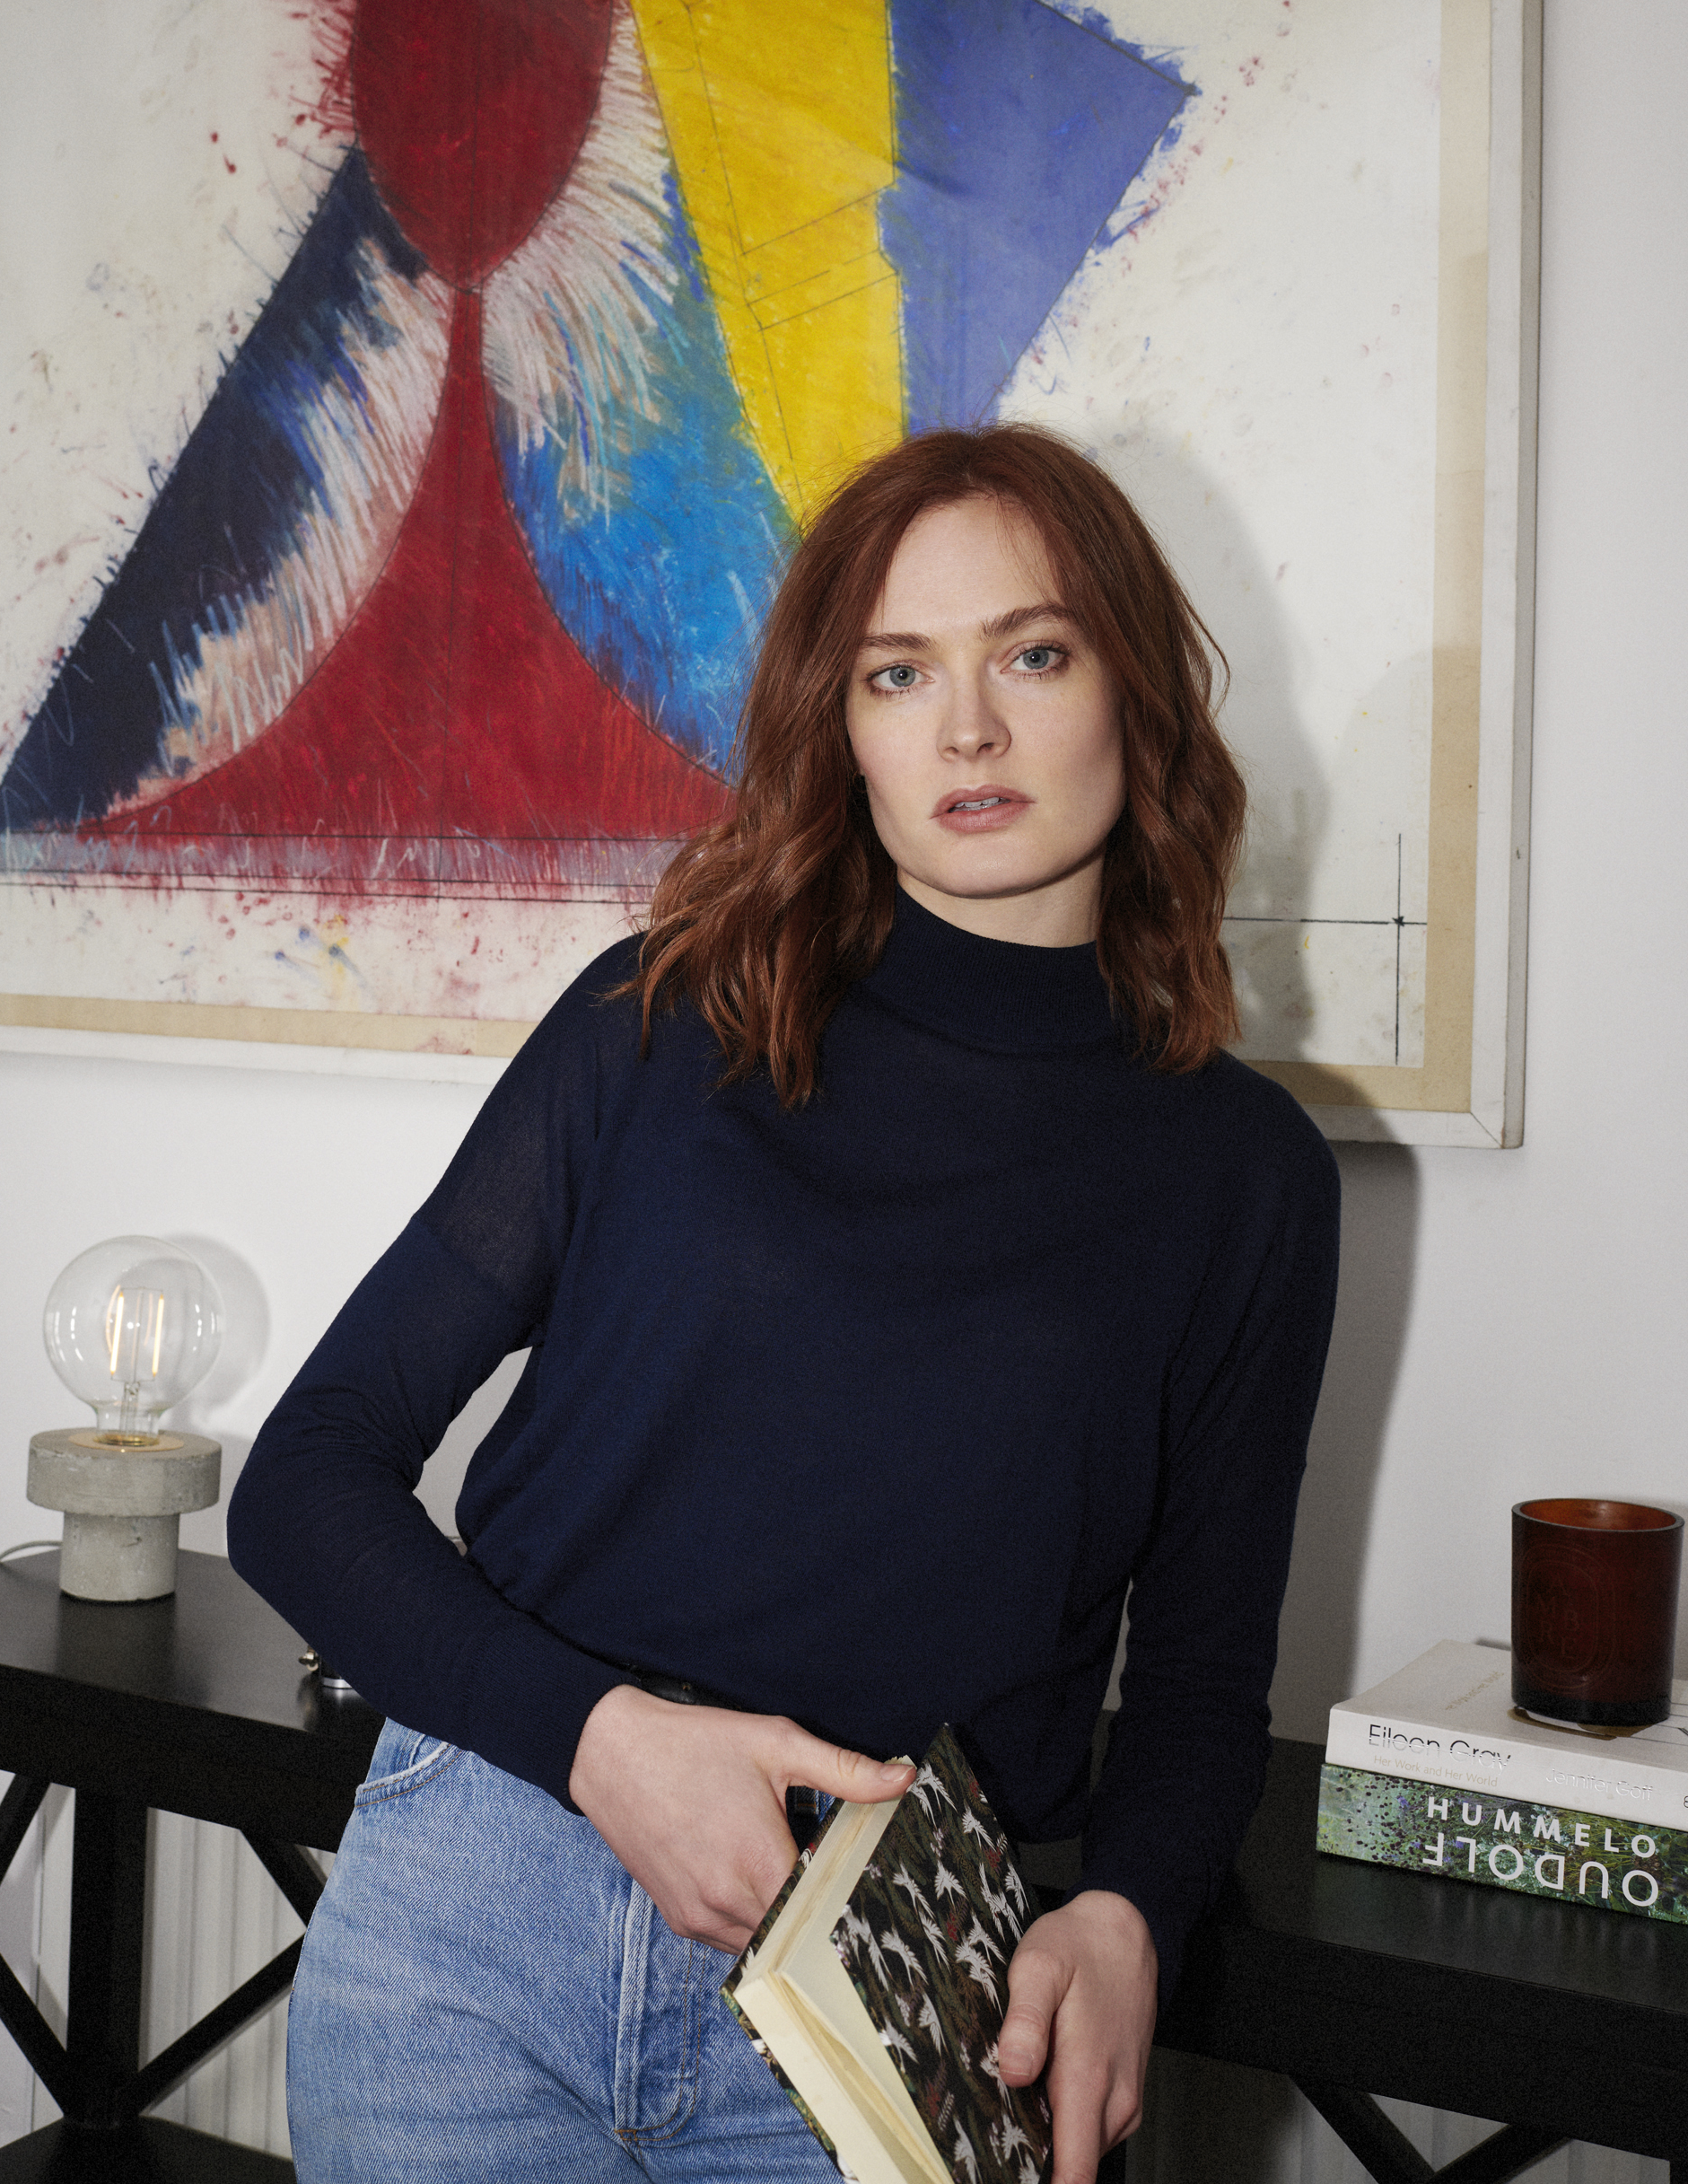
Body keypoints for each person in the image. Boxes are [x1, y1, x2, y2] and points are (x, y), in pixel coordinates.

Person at [228, 421, 1340, 2182]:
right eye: (900, 673)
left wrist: (1130, 1910)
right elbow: (302, 1479)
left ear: (1133, 691)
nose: (966, 730)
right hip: (478, 1918)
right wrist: (599, 1747)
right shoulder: (658, 1025)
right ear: (846, 728)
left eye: (1031, 655)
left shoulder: (1244, 1175)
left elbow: (1202, 1678)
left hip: (879, 1992)